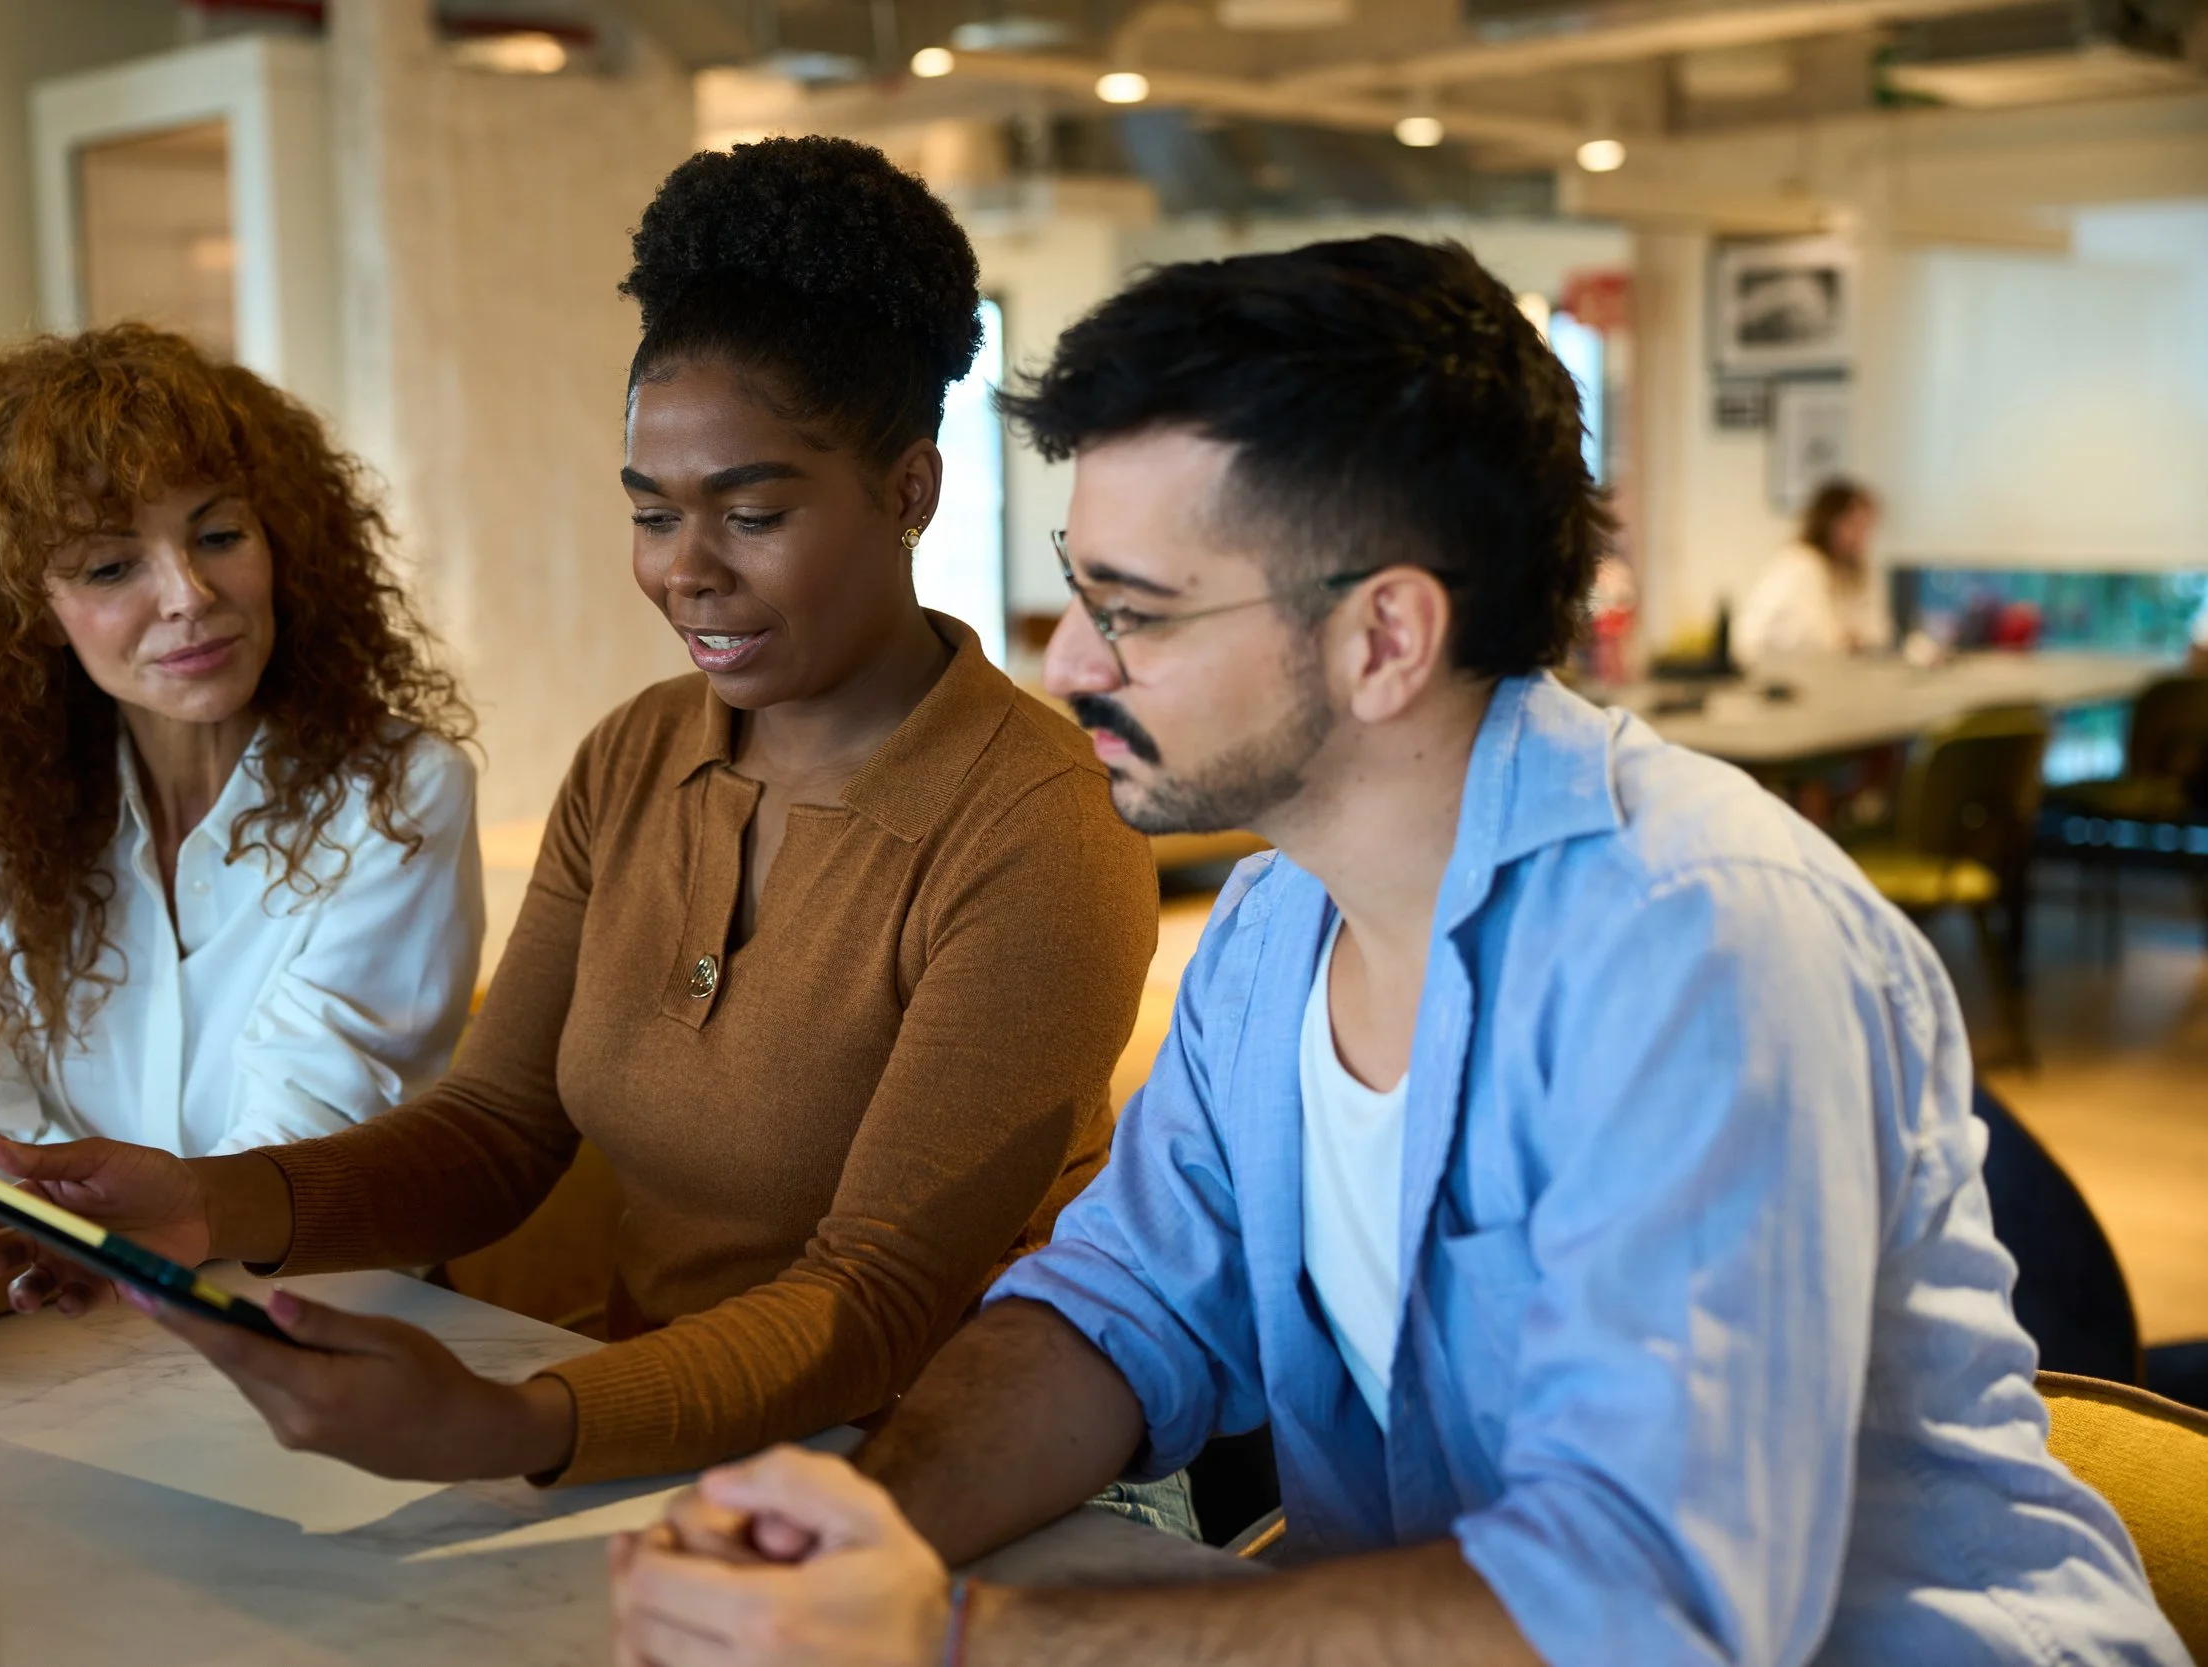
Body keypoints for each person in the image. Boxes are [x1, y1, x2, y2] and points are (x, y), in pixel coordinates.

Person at [606, 238, 2186, 1665]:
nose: (1068, 661)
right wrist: (873, 1529)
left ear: (1383, 638)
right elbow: (1120, 1307)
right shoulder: (1275, 926)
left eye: (1131, 609)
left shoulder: (1695, 942)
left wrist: (956, 1632)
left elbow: (1648, 1605)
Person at [0, 138, 1159, 1492]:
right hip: (648, 1439)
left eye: (750, 513)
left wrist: (518, 1422)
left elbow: (876, 1298)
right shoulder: (635, 759)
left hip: (932, 1478)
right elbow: (495, 1129)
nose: (686, 570)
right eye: (651, 514)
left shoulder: (1039, 831)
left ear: (910, 492)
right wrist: (200, 1201)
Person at [0, 324, 482, 1329]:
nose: (190, 596)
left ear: (282, 543)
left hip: (325, 1331)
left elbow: (286, 1159)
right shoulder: (7, 808)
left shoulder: (398, 792)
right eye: (107, 566)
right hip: (80, 1325)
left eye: (219, 536)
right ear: (29, 606)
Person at [1737, 477, 1893, 658]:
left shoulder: (1853, 571)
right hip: (1778, 670)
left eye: (1867, 527)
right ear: (1829, 522)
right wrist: (1850, 640)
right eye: (1854, 525)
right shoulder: (1800, 564)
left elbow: (1878, 632)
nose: (1862, 536)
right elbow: (1820, 636)